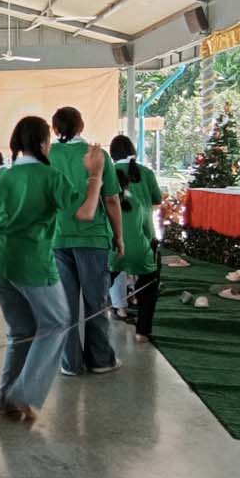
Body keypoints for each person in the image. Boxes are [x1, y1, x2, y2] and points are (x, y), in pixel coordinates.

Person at [0, 117, 108, 420]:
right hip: (32, 261)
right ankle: (23, 394)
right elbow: (86, 212)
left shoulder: (5, 177)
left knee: (22, 331)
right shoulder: (50, 176)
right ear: (45, 143)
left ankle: (5, 400)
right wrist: (95, 175)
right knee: (57, 322)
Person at [49, 107, 125, 376]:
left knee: (65, 304)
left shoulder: (48, 155)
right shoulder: (98, 155)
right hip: (93, 238)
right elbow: (112, 200)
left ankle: (70, 362)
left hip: (57, 238)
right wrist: (119, 237)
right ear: (81, 126)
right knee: (96, 302)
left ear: (55, 129)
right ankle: (100, 360)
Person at [109, 135, 163, 343]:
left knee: (107, 279)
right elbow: (157, 200)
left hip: (112, 244)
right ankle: (143, 331)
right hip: (142, 241)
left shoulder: (107, 173)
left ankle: (118, 309)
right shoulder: (146, 173)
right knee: (148, 284)